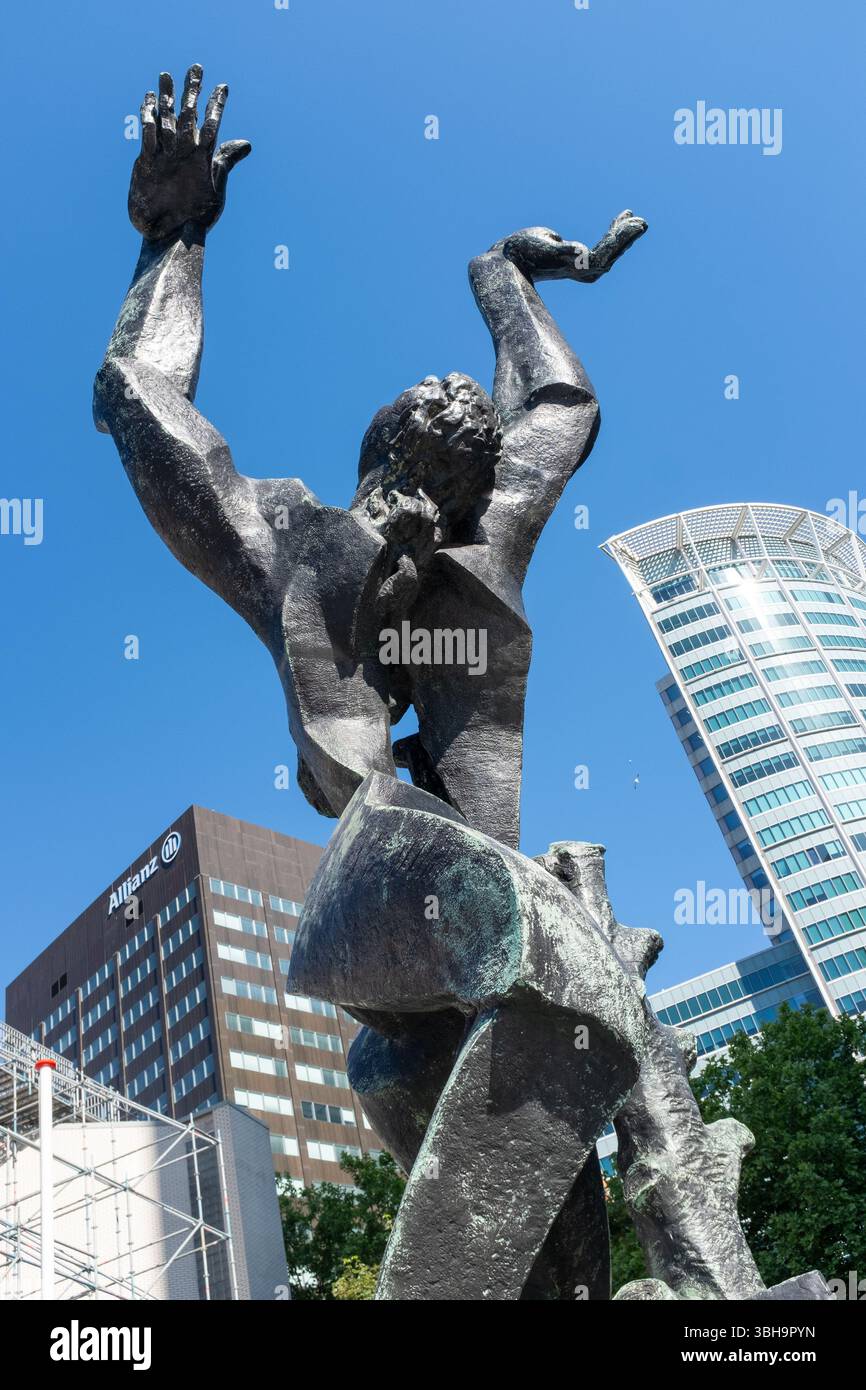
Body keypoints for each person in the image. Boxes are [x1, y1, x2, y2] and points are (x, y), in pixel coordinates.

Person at [94, 64, 646, 849]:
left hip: (409, 794)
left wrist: (174, 239)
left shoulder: (293, 546)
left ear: (379, 449)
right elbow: (563, 406)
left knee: (407, 828)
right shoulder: (483, 529)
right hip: (421, 790)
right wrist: (501, 276)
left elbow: (132, 390)